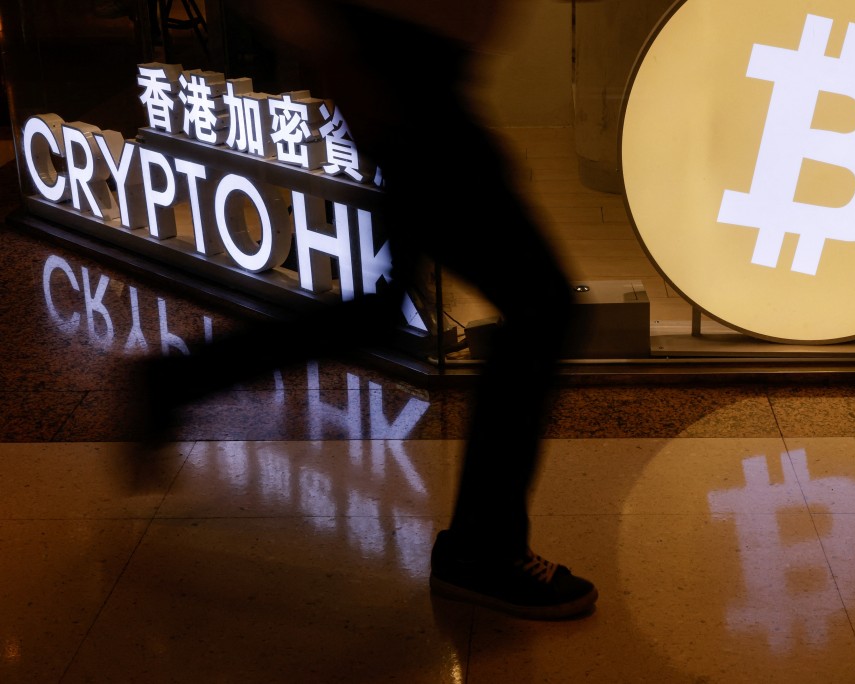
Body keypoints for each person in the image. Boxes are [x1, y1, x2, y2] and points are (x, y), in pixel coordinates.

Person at [134, 0, 598, 620]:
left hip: (412, 73)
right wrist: (340, 51)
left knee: (385, 309)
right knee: (542, 307)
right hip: (403, 75)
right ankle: (484, 550)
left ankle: (174, 380)